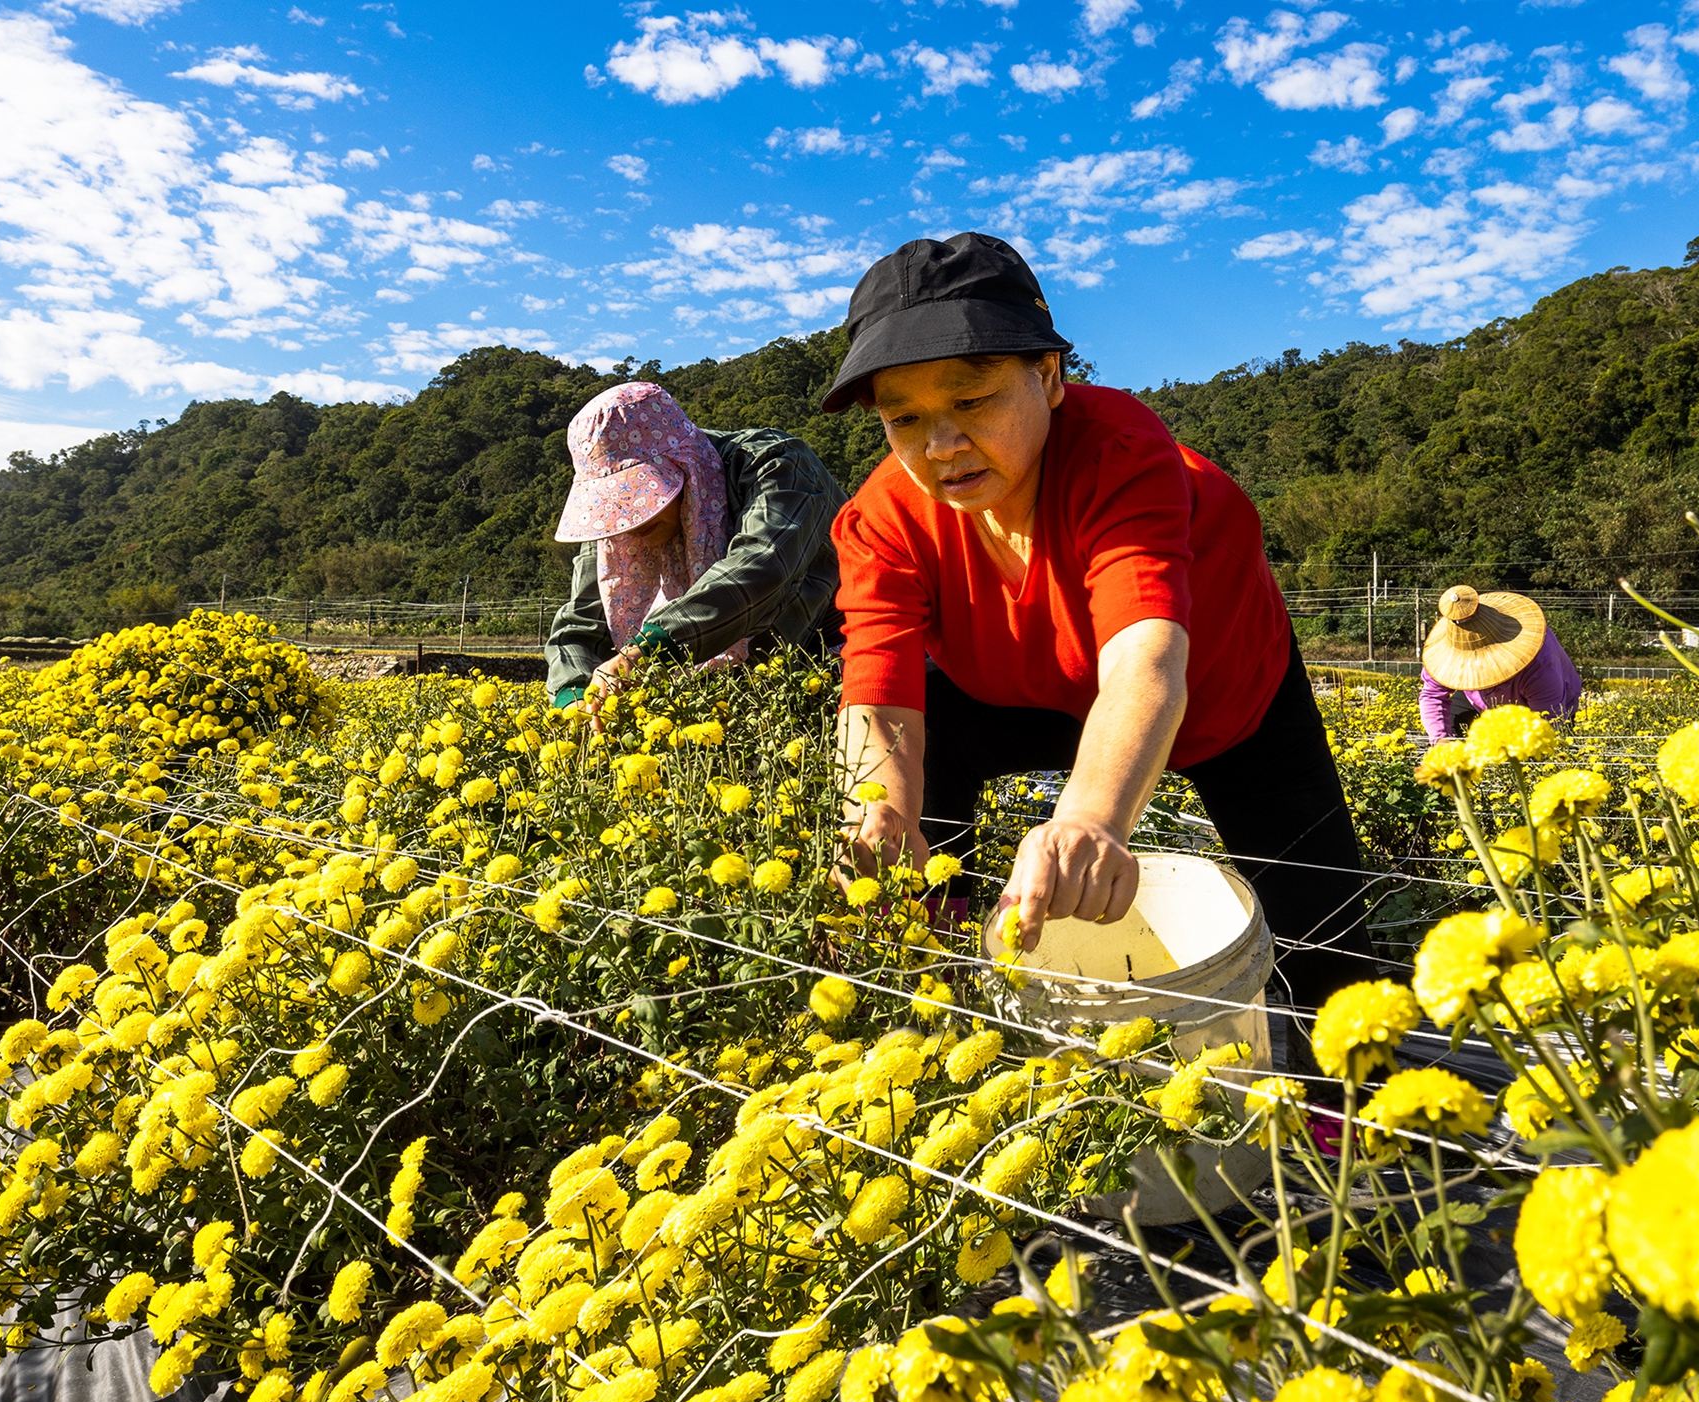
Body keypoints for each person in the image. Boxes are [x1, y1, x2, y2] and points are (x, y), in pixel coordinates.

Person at [824, 231, 1376, 1046]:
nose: (939, 446)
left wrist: (1087, 819)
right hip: (1023, 691)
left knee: (1320, 919)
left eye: (970, 402)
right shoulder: (881, 520)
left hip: (1218, 692)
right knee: (907, 788)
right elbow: (880, 693)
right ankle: (942, 1004)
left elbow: (1144, 661)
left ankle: (1352, 1109)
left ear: (1048, 377)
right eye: (905, 418)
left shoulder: (1120, 454)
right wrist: (875, 819)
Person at [545, 382, 844, 709]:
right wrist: (572, 696)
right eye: (617, 507)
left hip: (827, 676)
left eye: (637, 500)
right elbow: (580, 625)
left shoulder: (774, 466)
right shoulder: (615, 527)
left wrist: (645, 651)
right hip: (715, 702)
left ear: (684, 465)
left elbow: (760, 569)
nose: (632, 522)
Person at [1418, 585, 1581, 743]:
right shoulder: (1447, 654)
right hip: (1477, 699)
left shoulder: (1541, 667)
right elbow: (1432, 694)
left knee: (1539, 756)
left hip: (1546, 703)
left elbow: (1547, 729)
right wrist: (1441, 740)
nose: (1479, 669)